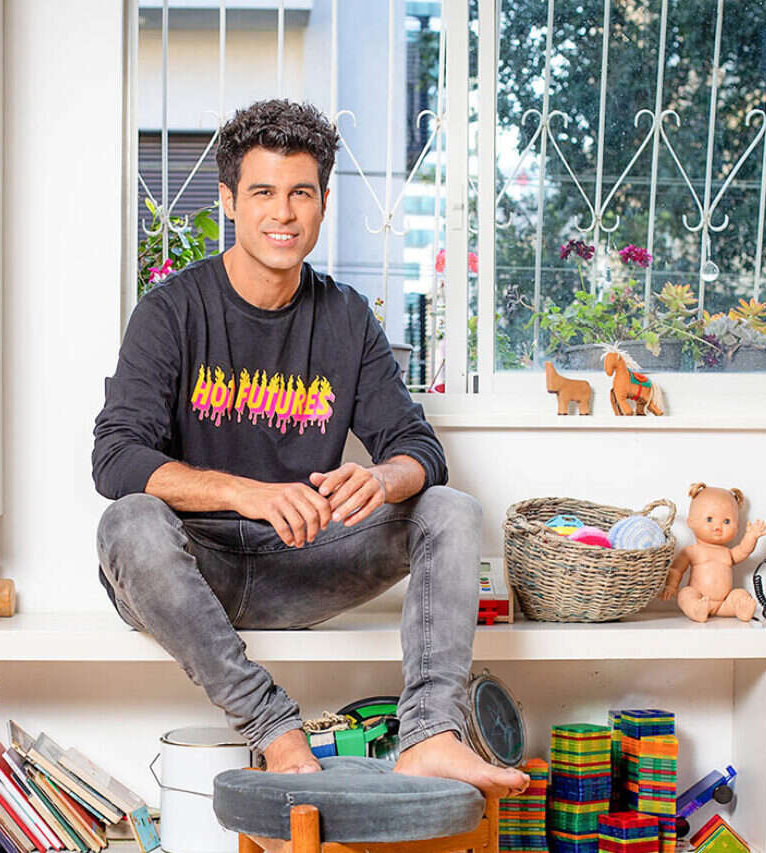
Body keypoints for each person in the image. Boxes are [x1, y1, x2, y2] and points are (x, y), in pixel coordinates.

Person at [93, 99, 528, 815]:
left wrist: (381, 478)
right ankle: (274, 729)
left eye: (301, 193)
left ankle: (430, 731)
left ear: (324, 202)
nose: (283, 213)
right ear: (229, 200)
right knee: (127, 523)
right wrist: (245, 492)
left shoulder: (346, 317)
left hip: (302, 567)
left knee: (449, 509)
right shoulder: (171, 311)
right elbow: (114, 458)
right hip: (190, 571)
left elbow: (421, 450)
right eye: (263, 191)